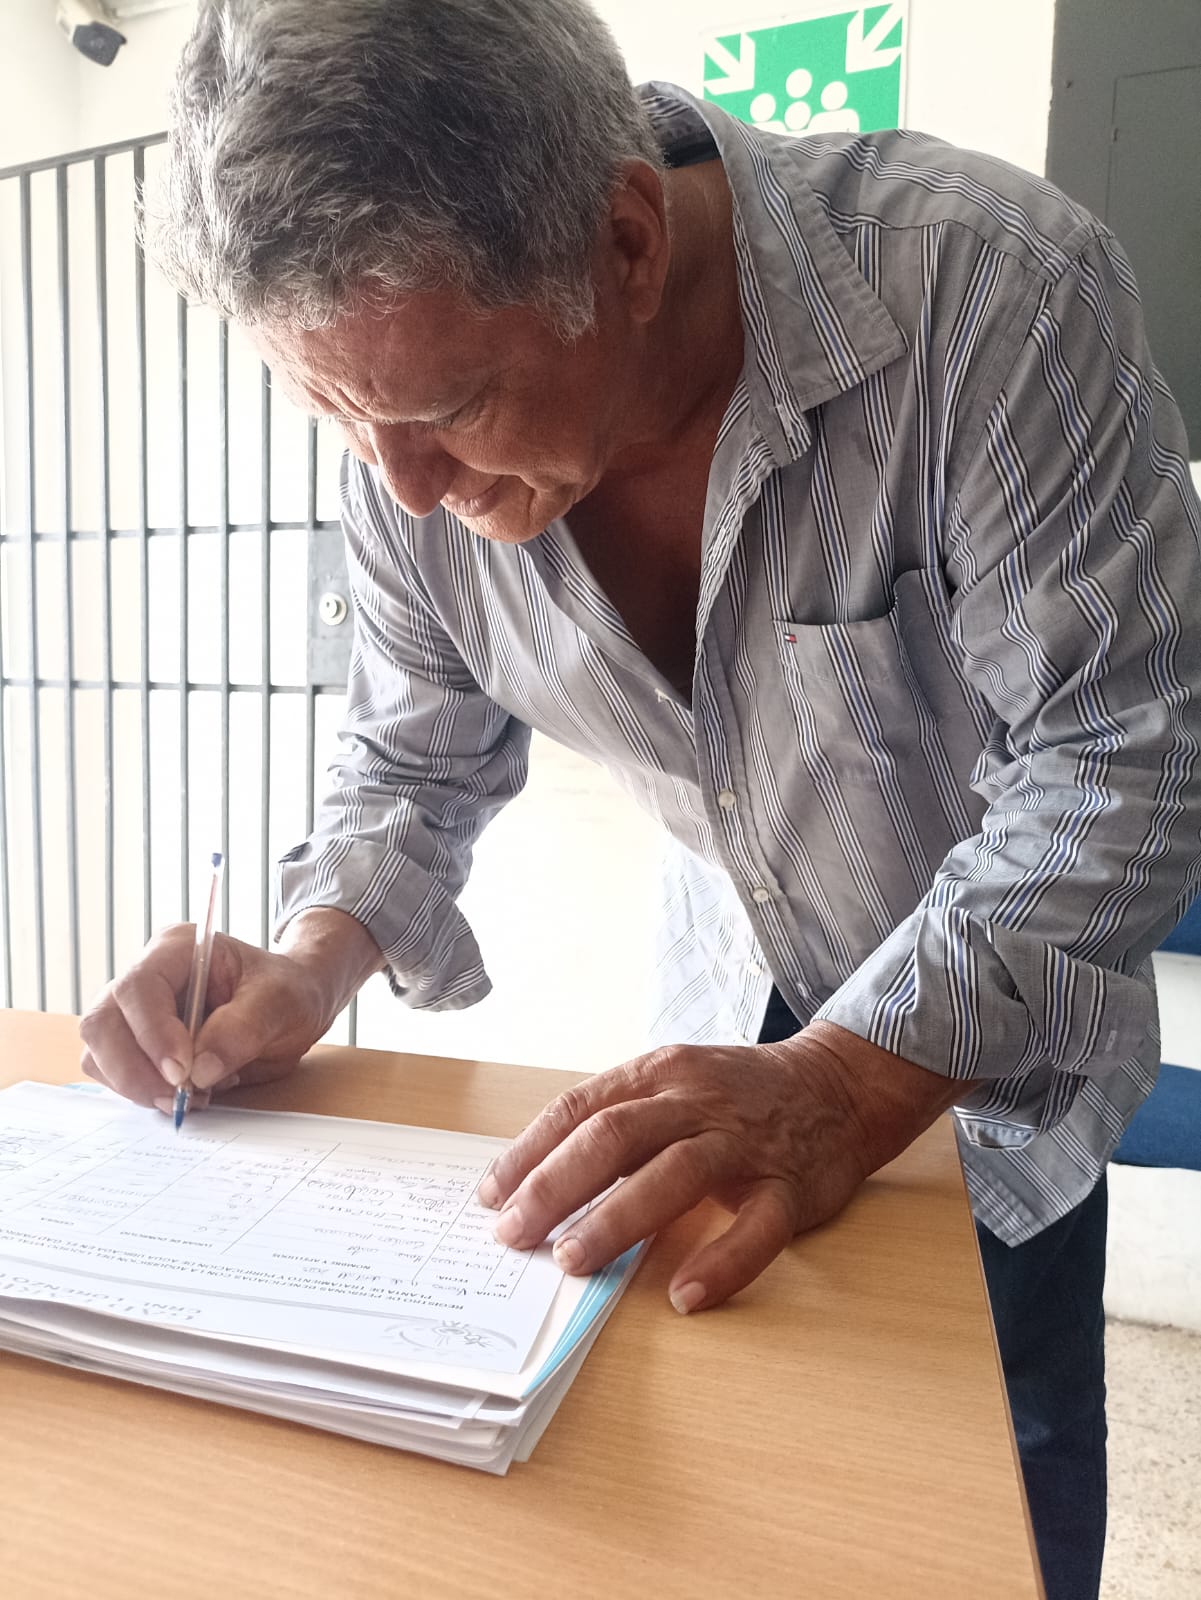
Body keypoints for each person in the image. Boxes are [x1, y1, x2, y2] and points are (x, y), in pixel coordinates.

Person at [79, 3, 1201, 1597]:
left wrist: (848, 1077)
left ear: (622, 241)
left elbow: (1124, 751)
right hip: (716, 1002)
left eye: (446, 411)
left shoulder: (984, 293)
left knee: (983, 1493)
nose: (400, 490)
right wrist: (311, 956)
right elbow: (409, 756)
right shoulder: (404, 432)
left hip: (972, 1055)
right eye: (335, 415)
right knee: (713, 1496)